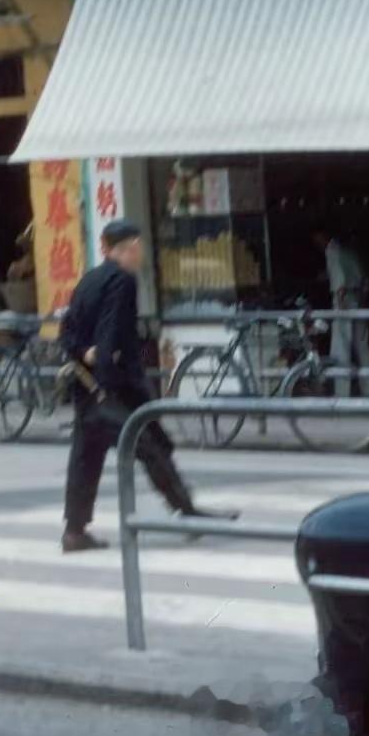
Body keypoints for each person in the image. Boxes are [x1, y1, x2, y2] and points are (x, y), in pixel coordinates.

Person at [60, 221, 233, 553]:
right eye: (138, 246)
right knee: (151, 446)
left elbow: (67, 332)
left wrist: (84, 353)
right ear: (129, 247)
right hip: (111, 389)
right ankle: (187, 510)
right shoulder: (122, 281)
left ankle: (74, 530)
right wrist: (109, 375)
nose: (140, 254)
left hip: (85, 387)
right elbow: (111, 333)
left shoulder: (88, 280)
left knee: (86, 457)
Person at [311, 228, 369, 397]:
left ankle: (342, 394)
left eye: (317, 239)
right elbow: (365, 282)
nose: (316, 243)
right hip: (358, 301)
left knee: (341, 349)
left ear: (323, 236)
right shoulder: (349, 251)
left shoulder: (332, 251)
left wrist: (339, 305)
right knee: (363, 348)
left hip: (344, 302)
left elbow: (339, 284)